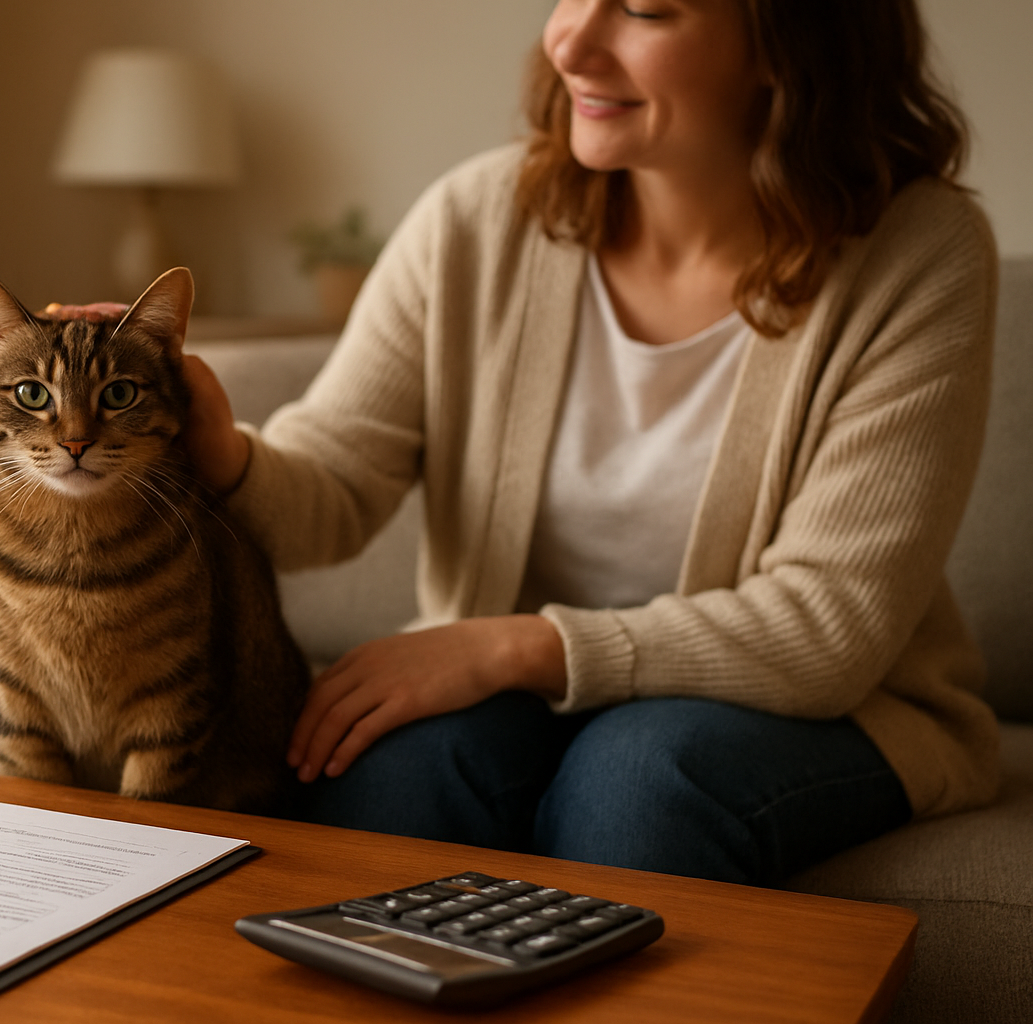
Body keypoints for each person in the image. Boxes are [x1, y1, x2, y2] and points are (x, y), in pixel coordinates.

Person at [182, 0, 1002, 886]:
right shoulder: (474, 220)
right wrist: (222, 453)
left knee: (637, 782)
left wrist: (512, 647)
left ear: (787, 44)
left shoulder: (920, 251)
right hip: (522, 696)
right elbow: (336, 481)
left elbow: (828, 627)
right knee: (390, 772)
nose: (569, 41)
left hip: (823, 707)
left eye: (644, 8)